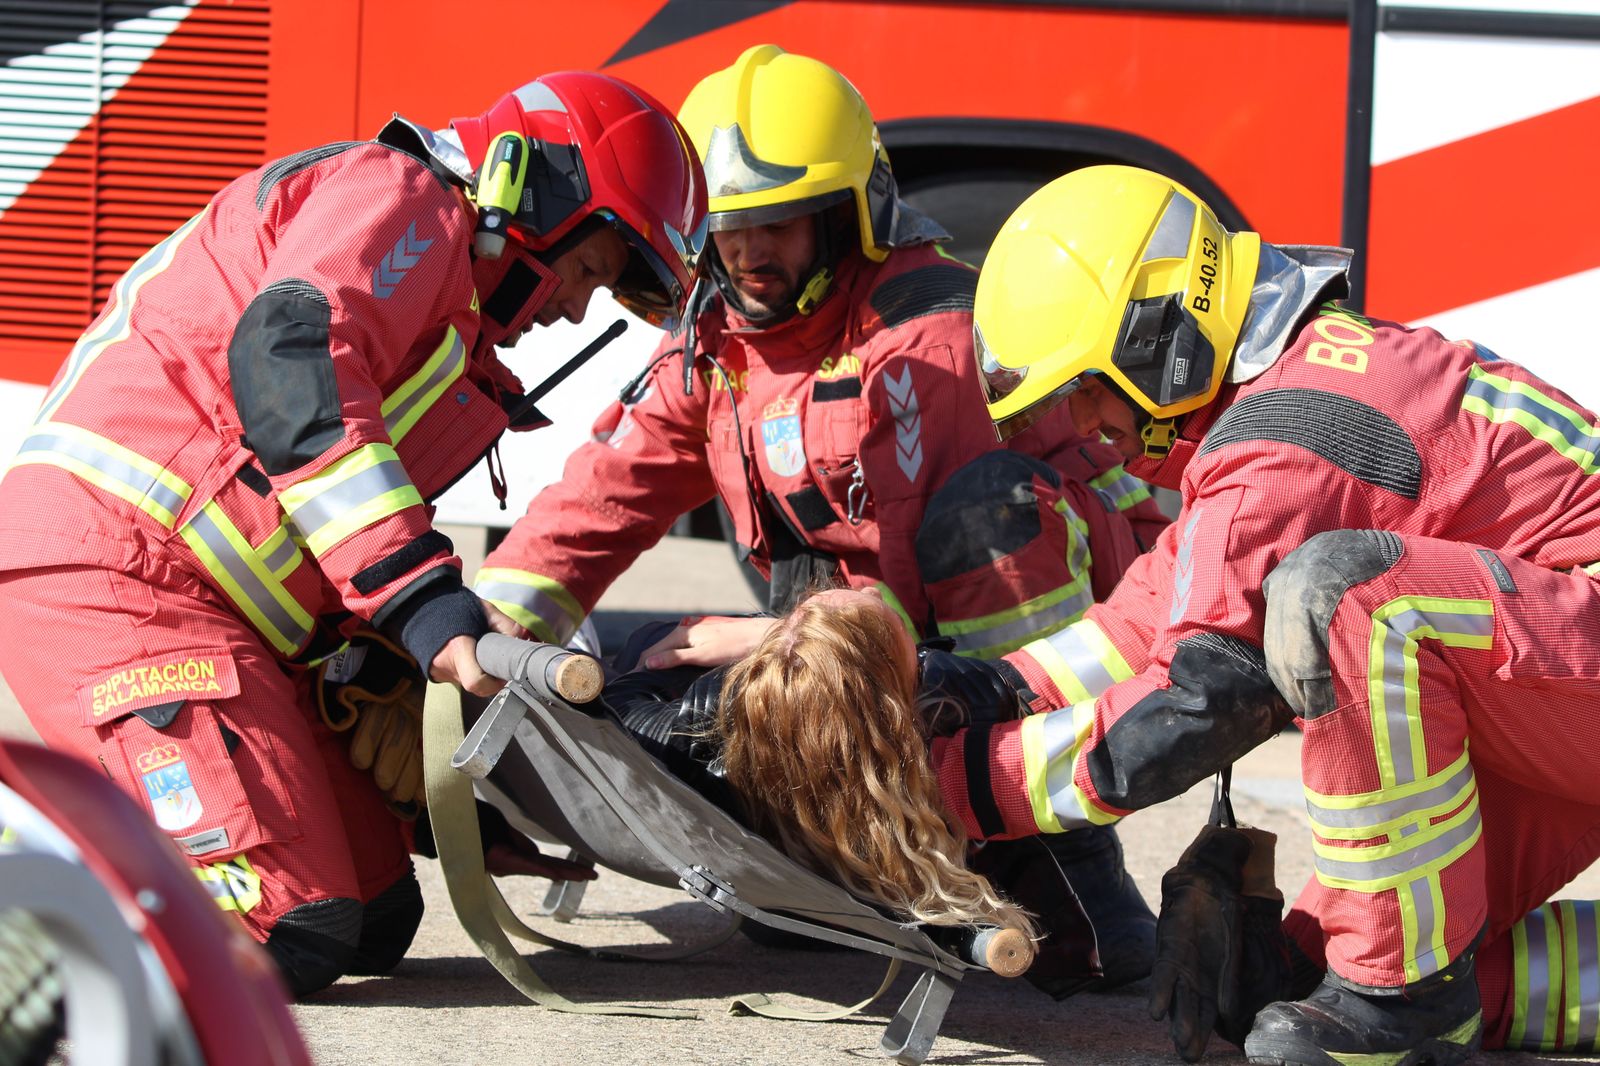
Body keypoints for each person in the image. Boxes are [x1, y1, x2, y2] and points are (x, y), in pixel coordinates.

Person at [0, 72, 707, 997]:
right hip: (116, 577)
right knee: (291, 926)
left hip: (210, 611)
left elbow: (305, 516)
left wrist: (415, 749)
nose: (575, 307)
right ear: (538, 191)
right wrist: (419, 602)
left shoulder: (445, 327)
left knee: (376, 918)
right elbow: (291, 353)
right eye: (588, 270)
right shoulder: (402, 195)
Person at [475, 44, 1166, 986]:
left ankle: (1061, 872)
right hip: (856, 638)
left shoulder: (931, 345)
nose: (752, 254)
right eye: (729, 230)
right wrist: (488, 647)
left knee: (983, 521)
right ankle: (853, 857)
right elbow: (601, 499)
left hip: (1018, 651)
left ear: (849, 217)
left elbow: (939, 608)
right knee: (636, 693)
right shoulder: (720, 345)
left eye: (782, 225)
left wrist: (762, 639)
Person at [931, 162, 1600, 1064]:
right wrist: (995, 693)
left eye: (1085, 386)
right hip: (1549, 681)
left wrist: (958, 788)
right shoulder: (1282, 398)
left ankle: (1400, 1014)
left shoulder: (1289, 436)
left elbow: (1199, 703)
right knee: (1293, 983)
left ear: (1156, 333)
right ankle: (1407, 998)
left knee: (1355, 600)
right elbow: (1151, 621)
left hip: (1564, 662)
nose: (1082, 422)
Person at [602, 587, 1104, 1000]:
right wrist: (784, 636)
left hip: (781, 907)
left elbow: (626, 690)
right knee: (1124, 950)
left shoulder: (709, 733)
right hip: (849, 896)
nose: (867, 586)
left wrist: (775, 638)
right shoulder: (952, 706)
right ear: (897, 688)